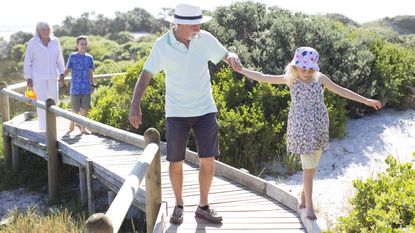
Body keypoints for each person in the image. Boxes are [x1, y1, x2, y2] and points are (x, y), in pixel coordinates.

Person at [233, 46, 382, 220]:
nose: (306, 72)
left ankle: (304, 193)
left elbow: (341, 90)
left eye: (310, 68)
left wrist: (366, 101)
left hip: (318, 125)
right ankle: (309, 206)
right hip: (300, 128)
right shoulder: (291, 79)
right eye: (303, 68)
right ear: (295, 66)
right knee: (308, 167)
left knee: (312, 167)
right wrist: (241, 70)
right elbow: (263, 77)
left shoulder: (320, 79)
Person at [128, 3, 241, 224]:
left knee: (208, 159)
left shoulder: (205, 38)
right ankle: (179, 205)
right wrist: (135, 104)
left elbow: (226, 54)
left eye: (199, 22)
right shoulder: (162, 44)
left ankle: (203, 206)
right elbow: (146, 73)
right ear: (179, 23)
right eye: (194, 23)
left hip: (206, 109)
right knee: (176, 161)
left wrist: (233, 56)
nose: (198, 27)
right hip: (177, 112)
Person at [24, 21, 65, 131]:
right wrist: (28, 78)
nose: (46, 31)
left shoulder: (55, 41)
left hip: (52, 76)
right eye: (43, 29)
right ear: (38, 31)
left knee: (54, 100)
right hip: (37, 77)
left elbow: (60, 59)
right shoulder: (32, 42)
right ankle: (43, 128)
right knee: (42, 102)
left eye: (47, 29)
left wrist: (62, 74)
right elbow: (27, 61)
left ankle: (53, 127)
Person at [64, 35, 95, 134]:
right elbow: (67, 69)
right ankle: (71, 125)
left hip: (86, 87)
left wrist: (92, 84)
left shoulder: (90, 58)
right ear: (77, 45)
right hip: (75, 87)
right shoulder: (72, 56)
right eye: (82, 44)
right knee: (75, 109)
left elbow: (90, 72)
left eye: (85, 44)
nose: (84, 45)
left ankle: (83, 128)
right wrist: (61, 78)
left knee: (85, 108)